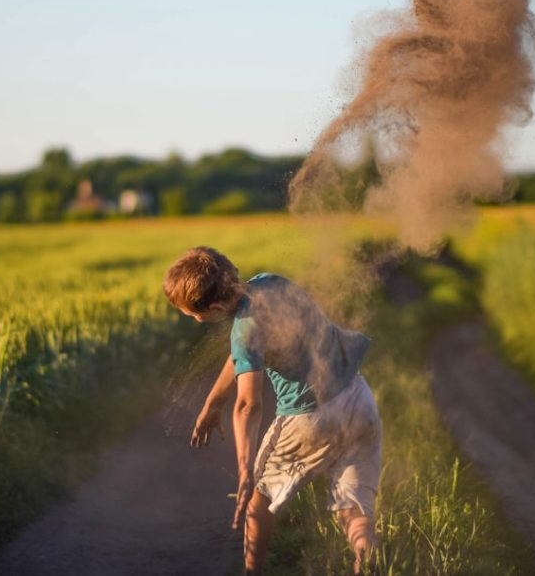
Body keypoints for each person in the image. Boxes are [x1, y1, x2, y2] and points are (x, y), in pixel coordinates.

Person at [163, 246, 382, 575]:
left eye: (194, 314)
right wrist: (214, 401)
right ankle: (366, 557)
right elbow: (246, 355)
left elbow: (248, 403)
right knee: (353, 507)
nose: (195, 320)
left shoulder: (243, 331)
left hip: (308, 418)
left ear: (217, 307)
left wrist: (244, 468)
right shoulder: (270, 283)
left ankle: (252, 572)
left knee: (258, 504)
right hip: (358, 398)